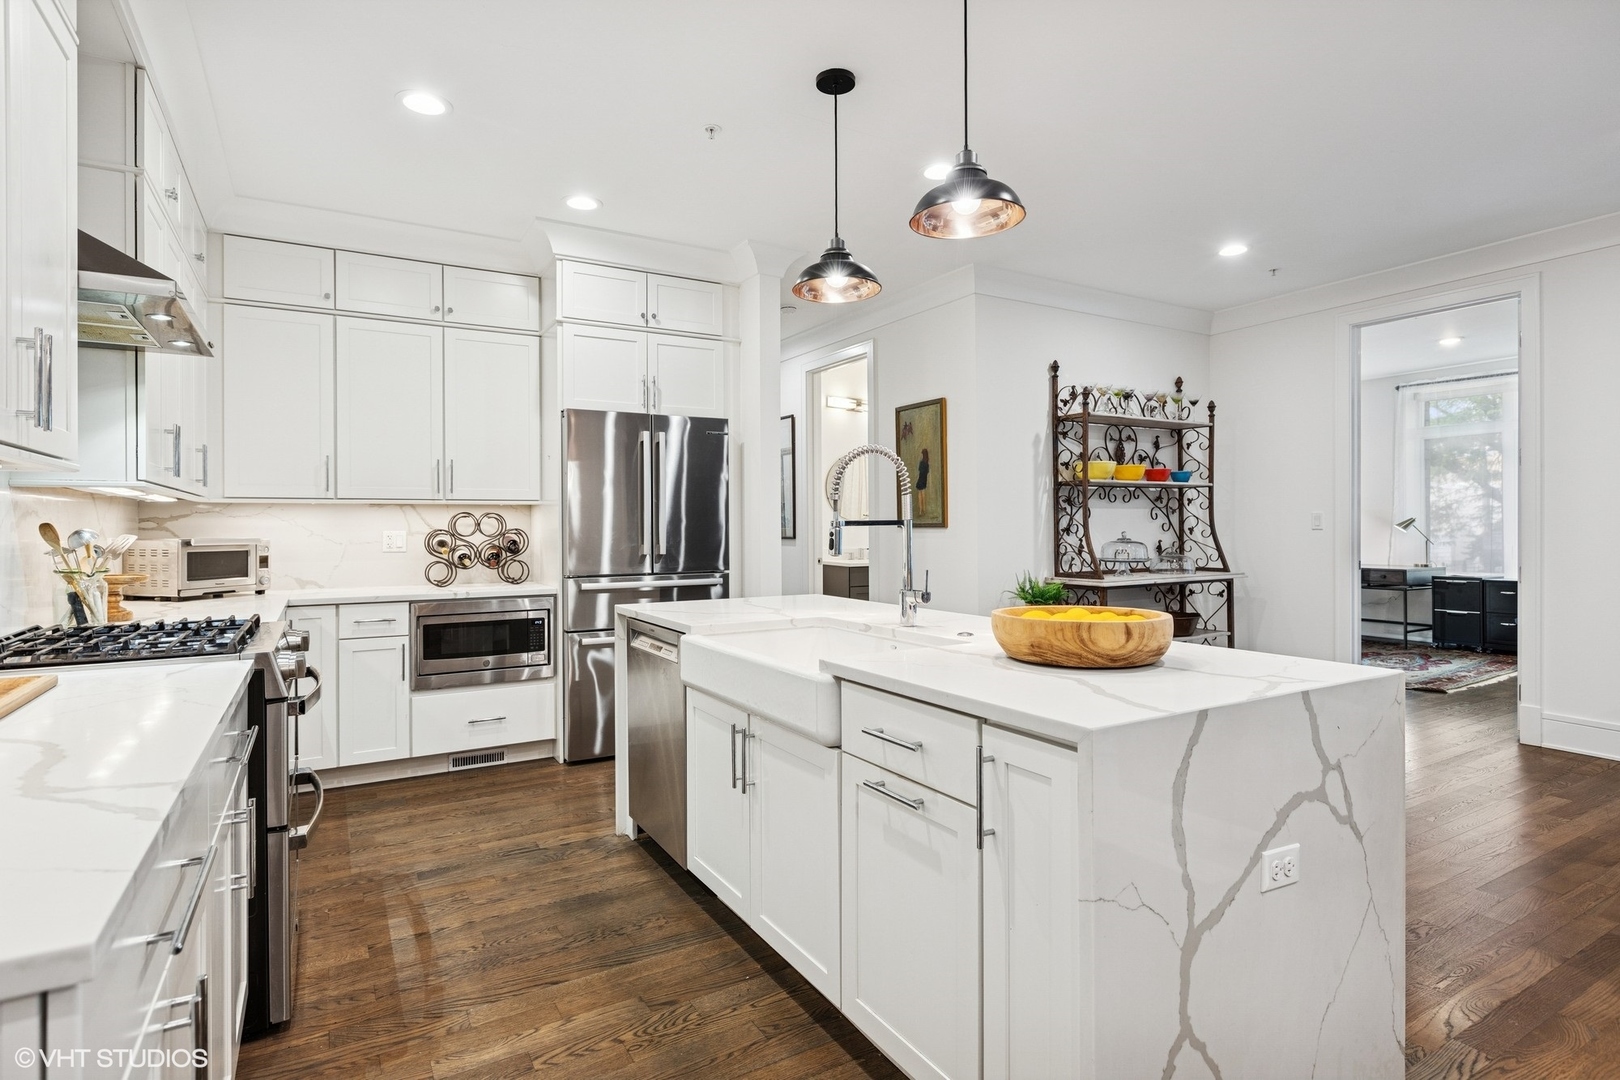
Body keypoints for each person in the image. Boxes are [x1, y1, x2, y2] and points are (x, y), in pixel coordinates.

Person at [915, 447, 930, 517]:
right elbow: (927, 472)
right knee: (923, 494)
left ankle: (921, 510)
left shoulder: (921, 462)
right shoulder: (927, 463)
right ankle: (924, 509)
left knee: (919, 495)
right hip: (925, 480)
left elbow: (919, 470)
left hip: (920, 479)